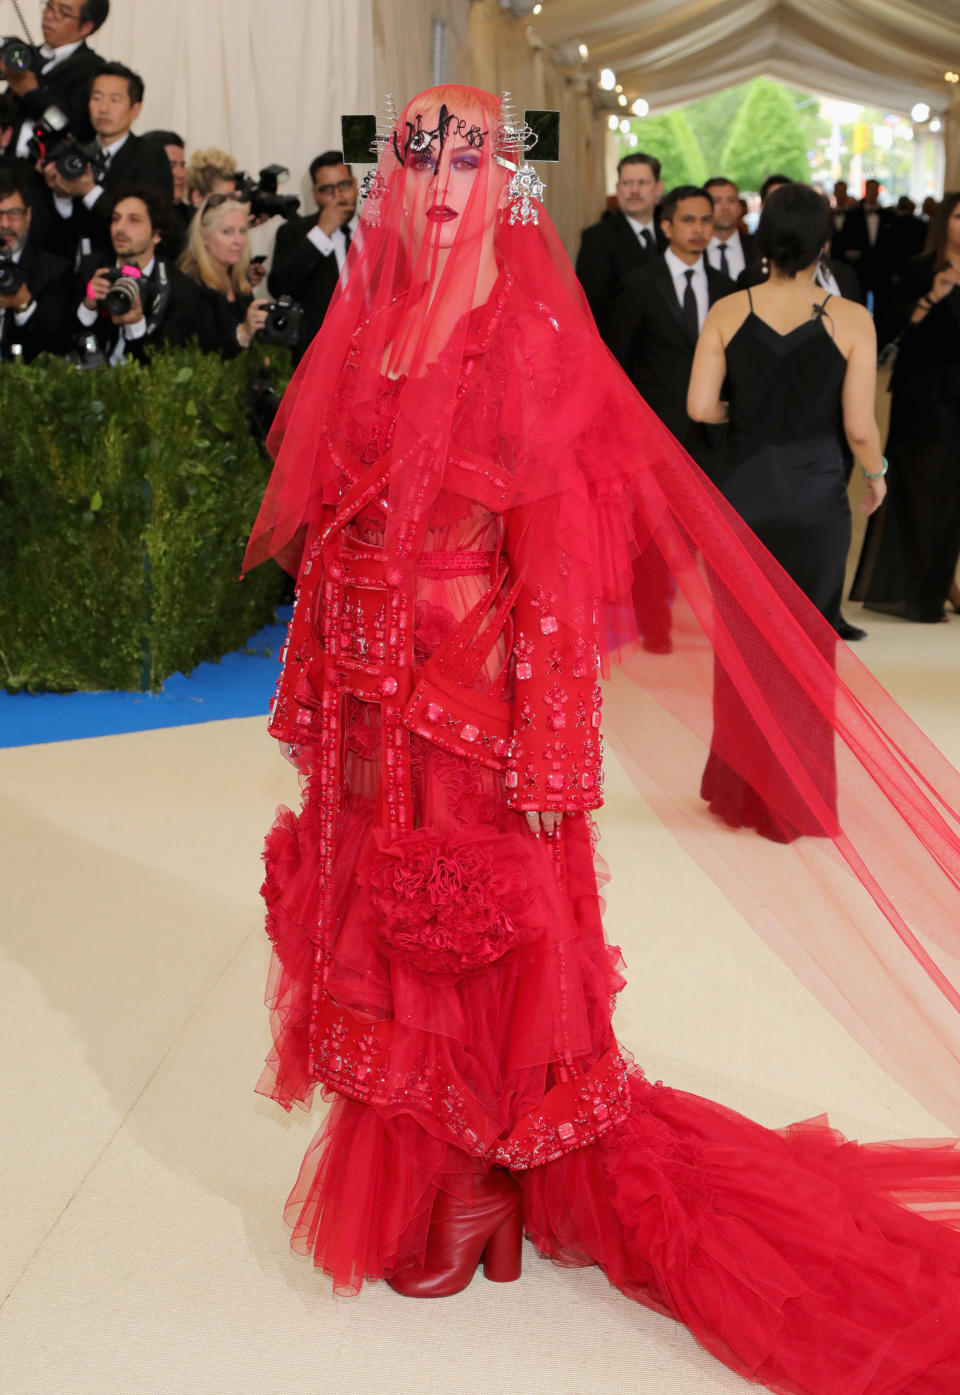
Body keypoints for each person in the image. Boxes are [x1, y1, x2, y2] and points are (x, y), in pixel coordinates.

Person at [244, 86, 960, 1395]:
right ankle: (448, 1167)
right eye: (421, 169)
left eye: (467, 169)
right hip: (368, 696)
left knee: (472, 931)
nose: (442, 190)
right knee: (380, 925)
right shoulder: (375, 328)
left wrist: (551, 750)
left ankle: (479, 1176)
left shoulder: (520, 341)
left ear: (504, 189)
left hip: (471, 696)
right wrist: (319, 684)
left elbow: (559, 575)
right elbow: (330, 529)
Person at [688, 183, 886, 833]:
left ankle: (740, 792)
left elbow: (698, 407)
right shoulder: (851, 317)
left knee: (743, 646)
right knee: (807, 647)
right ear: (823, 242)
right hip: (815, 499)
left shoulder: (725, 310)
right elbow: (860, 428)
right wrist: (877, 473)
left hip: (743, 494)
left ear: (763, 238)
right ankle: (794, 797)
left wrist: (740, 415)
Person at [851, 190, 960, 622]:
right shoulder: (920, 270)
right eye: (959, 217)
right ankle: (925, 588)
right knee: (924, 489)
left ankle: (942, 580)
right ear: (944, 223)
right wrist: (933, 297)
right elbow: (895, 333)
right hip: (925, 397)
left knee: (954, 494)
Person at [607, 183, 734, 473]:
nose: (699, 229)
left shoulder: (726, 288)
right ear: (666, 227)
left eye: (705, 220)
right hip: (655, 431)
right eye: (688, 220)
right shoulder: (638, 285)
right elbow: (618, 359)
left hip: (713, 434)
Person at [42, 62, 173, 265]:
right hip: (71, 271)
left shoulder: (150, 155)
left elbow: (149, 223)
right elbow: (59, 229)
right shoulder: (75, 152)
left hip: (122, 269)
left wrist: (89, 191)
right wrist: (62, 194)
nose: (103, 108)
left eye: (114, 100)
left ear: (135, 109)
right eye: (97, 98)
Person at [75, 185, 200, 364]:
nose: (120, 228)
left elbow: (162, 363)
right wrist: (88, 307)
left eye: (134, 220)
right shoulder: (93, 268)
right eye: (116, 219)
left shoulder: (180, 288)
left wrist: (135, 325)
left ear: (156, 234)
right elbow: (67, 338)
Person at [267, 149, 357, 361]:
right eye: (327, 189)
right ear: (315, 194)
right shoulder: (293, 233)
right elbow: (278, 286)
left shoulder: (381, 233)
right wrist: (322, 232)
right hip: (317, 357)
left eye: (343, 185)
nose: (338, 196)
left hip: (375, 355)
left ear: (354, 184)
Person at [0, 0, 108, 158]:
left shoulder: (93, 68)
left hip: (48, 171)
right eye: (49, 6)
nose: (49, 16)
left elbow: (75, 127)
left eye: (63, 12)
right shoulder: (28, 56)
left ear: (86, 27)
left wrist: (33, 92)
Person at [574, 152, 664, 341]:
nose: (634, 190)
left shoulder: (670, 235)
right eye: (627, 183)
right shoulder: (596, 238)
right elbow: (590, 308)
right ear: (617, 189)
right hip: (619, 352)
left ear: (658, 189)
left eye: (643, 183)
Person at [178, 193, 266, 356]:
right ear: (204, 237)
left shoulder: (239, 283)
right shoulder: (190, 286)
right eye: (227, 232)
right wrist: (243, 334)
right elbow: (205, 355)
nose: (238, 240)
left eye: (242, 231)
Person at [0, 165, 72, 359]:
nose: (4, 224)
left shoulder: (54, 271)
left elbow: (55, 346)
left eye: (13, 213)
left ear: (28, 215)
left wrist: (23, 304)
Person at [142, 129, 190, 254]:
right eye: (171, 166)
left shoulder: (194, 219)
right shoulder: (134, 218)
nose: (181, 174)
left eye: (182, 165)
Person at [703, 176, 756, 281]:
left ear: (740, 208)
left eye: (731, 200)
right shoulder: (692, 251)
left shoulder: (759, 248)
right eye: (717, 201)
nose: (725, 207)